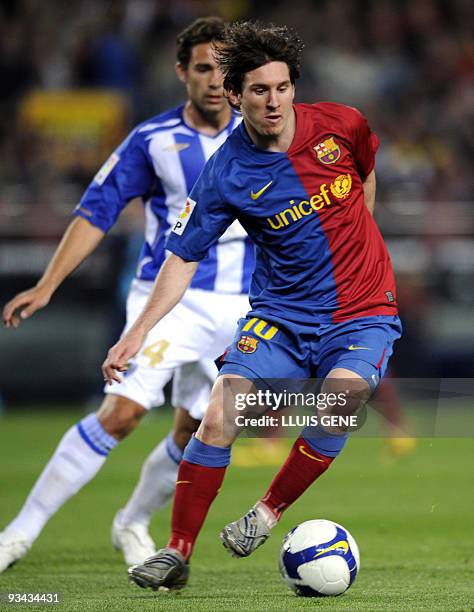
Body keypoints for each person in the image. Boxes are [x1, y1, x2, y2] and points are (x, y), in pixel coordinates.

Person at [101, 20, 403, 592]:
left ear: (295, 86)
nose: (274, 101)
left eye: (283, 87)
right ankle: (176, 552)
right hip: (282, 317)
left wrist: (362, 246)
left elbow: (365, 176)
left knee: (344, 399)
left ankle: (266, 513)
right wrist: (137, 331)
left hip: (362, 309)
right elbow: (183, 257)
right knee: (217, 415)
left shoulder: (342, 123)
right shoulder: (225, 172)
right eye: (259, 91)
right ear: (235, 95)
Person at [0, 17, 253, 572]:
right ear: (182, 72)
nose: (215, 80)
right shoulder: (152, 140)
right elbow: (97, 210)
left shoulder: (260, 135)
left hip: (240, 310)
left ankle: (132, 522)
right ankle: (18, 533)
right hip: (167, 302)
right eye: (204, 68)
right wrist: (48, 284)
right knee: (122, 413)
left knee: (196, 433)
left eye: (225, 70)